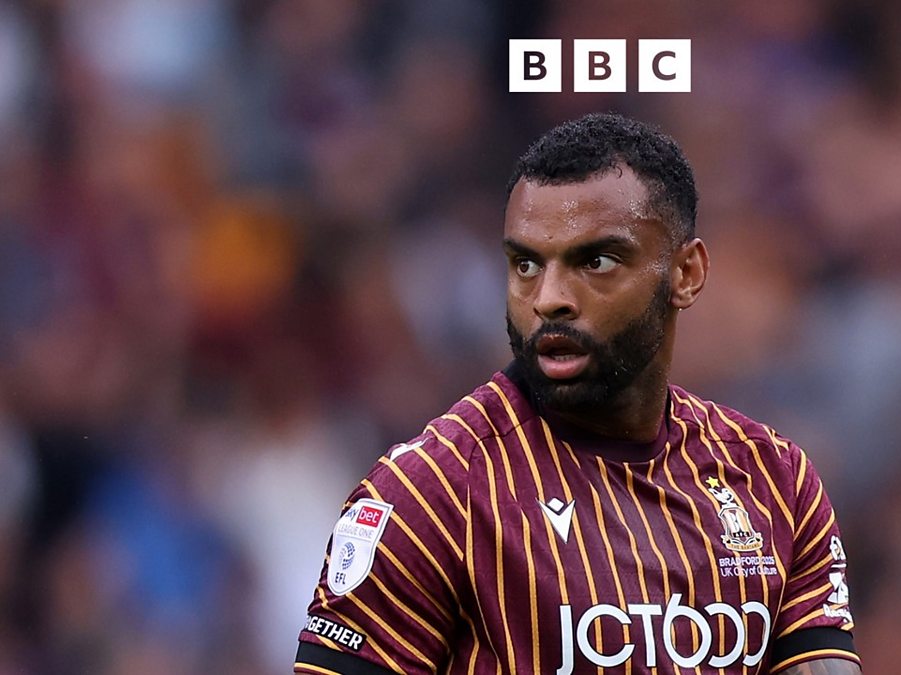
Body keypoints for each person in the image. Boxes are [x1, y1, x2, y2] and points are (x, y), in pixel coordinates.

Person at [294, 113, 861, 675]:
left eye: (596, 261)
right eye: (526, 264)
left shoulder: (774, 480)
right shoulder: (432, 494)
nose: (549, 299)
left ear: (686, 273)